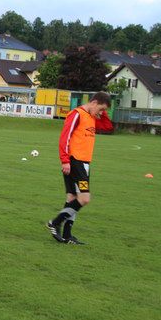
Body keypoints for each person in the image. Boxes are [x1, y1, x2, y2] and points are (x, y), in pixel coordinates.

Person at [46, 92, 112, 245]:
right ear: (94, 103)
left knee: (72, 198)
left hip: (84, 163)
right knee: (84, 198)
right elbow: (65, 137)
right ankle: (55, 223)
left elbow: (108, 127)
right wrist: (65, 160)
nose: (101, 113)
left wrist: (102, 112)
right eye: (101, 109)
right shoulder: (77, 114)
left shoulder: (92, 117)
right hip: (75, 162)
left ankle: (67, 235)